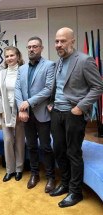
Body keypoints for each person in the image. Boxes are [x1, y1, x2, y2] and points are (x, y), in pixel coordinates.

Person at [48, 27, 103, 207]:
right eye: (56, 41)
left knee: (73, 153)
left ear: (72, 41)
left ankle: (75, 192)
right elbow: (58, 86)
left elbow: (98, 87)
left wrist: (80, 107)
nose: (59, 44)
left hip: (74, 114)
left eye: (63, 41)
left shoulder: (84, 60)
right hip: (56, 113)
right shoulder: (58, 62)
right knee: (59, 150)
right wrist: (51, 103)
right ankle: (64, 184)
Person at [15, 37, 56, 193]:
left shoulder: (50, 65)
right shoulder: (22, 68)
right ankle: (34, 174)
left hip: (42, 114)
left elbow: (48, 89)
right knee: (31, 146)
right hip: (26, 115)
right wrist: (22, 108)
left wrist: (29, 102)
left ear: (41, 48)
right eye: (29, 46)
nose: (31, 49)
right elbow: (18, 89)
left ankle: (51, 177)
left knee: (46, 147)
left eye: (35, 46)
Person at [0, 46, 25, 182]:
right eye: (7, 56)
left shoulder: (24, 71)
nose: (9, 58)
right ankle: (10, 170)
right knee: (7, 141)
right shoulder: (1, 73)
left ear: (18, 56)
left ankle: (19, 169)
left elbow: (26, 93)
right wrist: (1, 111)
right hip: (6, 112)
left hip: (20, 111)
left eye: (12, 55)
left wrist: (22, 110)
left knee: (19, 141)